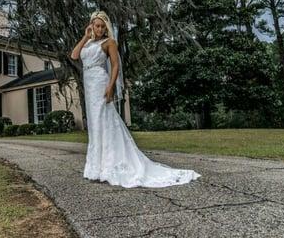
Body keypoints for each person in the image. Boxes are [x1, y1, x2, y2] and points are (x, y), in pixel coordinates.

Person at [70, 10, 202, 188]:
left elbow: (115, 66)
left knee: (105, 120)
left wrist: (110, 87)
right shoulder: (88, 43)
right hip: (89, 86)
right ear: (91, 25)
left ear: (105, 27)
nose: (99, 29)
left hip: (101, 83)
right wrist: (85, 37)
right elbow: (74, 55)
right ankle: (96, 167)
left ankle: (110, 166)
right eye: (96, 25)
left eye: (102, 26)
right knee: (95, 124)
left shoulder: (110, 42)